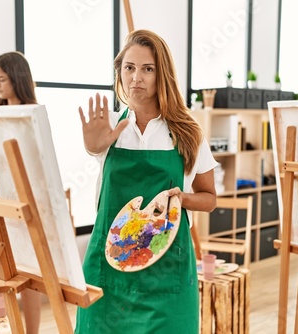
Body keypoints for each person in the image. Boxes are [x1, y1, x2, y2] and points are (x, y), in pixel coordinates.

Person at [75, 29, 217, 333]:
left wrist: (182, 198)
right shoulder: (110, 125)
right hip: (108, 271)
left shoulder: (186, 132)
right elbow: (96, 148)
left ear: (161, 74)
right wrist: (94, 147)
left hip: (166, 272)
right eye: (129, 68)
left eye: (147, 69)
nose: (136, 78)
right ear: (120, 72)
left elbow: (209, 198)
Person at [0, 51, 41, 334]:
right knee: (2, 274)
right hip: (1, 202)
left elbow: (37, 164)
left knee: (31, 277)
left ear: (16, 78)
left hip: (27, 205)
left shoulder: (31, 115)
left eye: (2, 79)